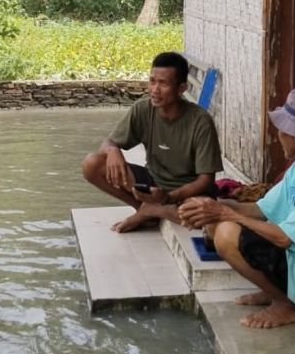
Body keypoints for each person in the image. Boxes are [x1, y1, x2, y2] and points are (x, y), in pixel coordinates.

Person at [178, 87, 295, 329]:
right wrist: (210, 207)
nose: (279, 136)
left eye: (282, 131)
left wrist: (227, 214)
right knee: (215, 224)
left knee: (227, 233)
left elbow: (284, 239)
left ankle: (291, 305)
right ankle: (275, 291)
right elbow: (259, 210)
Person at [81, 52, 223, 233]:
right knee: (92, 164)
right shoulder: (142, 109)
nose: (155, 89)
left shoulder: (201, 121)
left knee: (206, 218)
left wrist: (168, 197)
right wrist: (113, 151)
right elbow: (109, 142)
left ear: (181, 89)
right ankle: (145, 209)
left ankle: (152, 210)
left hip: (187, 193)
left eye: (163, 83)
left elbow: (206, 180)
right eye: (152, 81)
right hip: (153, 183)